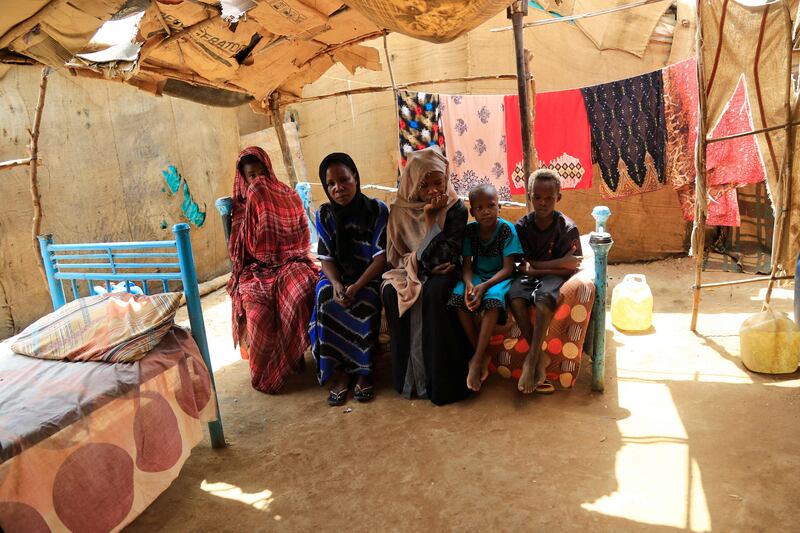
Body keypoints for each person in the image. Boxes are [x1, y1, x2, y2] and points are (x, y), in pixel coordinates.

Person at [226, 146, 319, 394]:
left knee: (300, 292)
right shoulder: (240, 210)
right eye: (251, 177)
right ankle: (266, 374)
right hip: (256, 270)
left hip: (291, 261)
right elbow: (239, 255)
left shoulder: (287, 196)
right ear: (244, 179)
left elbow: (302, 239)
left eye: (261, 173)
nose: (258, 181)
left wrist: (282, 253)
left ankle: (293, 356)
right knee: (258, 313)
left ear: (268, 170)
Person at [383, 147, 471, 405]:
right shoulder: (400, 210)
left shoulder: (456, 208)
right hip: (409, 268)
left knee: (436, 291)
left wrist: (431, 220)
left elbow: (446, 256)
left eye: (438, 182)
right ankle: (408, 379)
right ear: (412, 184)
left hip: (445, 270)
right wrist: (421, 266)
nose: (434, 190)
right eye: (425, 185)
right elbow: (395, 255)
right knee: (391, 291)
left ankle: (443, 383)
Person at [309, 153, 389, 406]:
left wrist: (356, 286)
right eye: (331, 183)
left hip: (369, 276)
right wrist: (337, 284)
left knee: (366, 301)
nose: (338, 188)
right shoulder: (324, 215)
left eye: (344, 179)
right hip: (337, 277)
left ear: (356, 177)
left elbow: (381, 257)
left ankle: (364, 373)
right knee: (325, 298)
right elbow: (326, 259)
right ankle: (341, 373)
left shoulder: (377, 210)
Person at [509, 169, 582, 394]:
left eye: (549, 198)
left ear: (558, 197)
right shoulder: (522, 227)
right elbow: (521, 266)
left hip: (552, 276)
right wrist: (557, 263)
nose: (543, 202)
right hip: (533, 274)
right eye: (537, 197)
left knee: (543, 299)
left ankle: (530, 360)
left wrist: (538, 268)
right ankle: (537, 356)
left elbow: (571, 266)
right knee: (516, 295)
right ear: (529, 196)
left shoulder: (567, 228)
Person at [448, 184, 522, 392]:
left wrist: (484, 286)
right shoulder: (470, 232)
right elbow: (467, 266)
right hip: (477, 276)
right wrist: (470, 286)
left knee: (492, 301)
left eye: (491, 205)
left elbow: (508, 269)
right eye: (480, 208)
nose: (486, 211)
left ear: (500, 207)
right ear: (473, 212)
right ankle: (480, 353)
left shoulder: (507, 230)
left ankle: (477, 360)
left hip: (498, 277)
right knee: (458, 297)